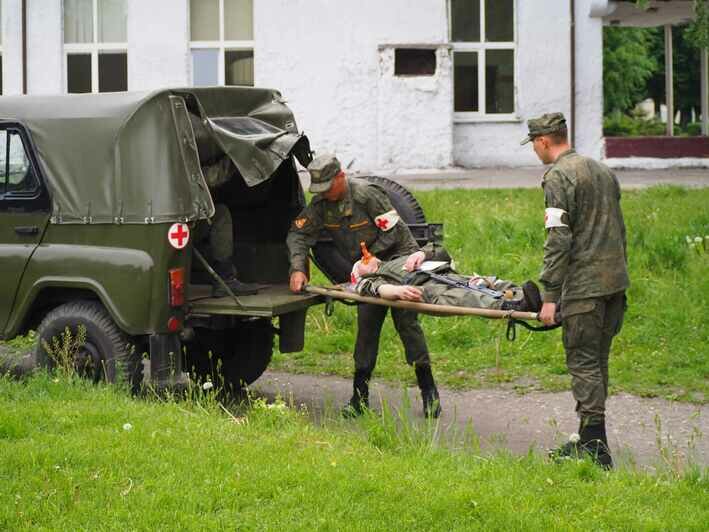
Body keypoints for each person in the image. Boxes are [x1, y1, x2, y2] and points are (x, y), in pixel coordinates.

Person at [287, 153, 442, 418]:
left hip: (399, 263)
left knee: (408, 327)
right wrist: (298, 268)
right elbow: (298, 234)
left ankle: (430, 393)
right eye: (319, 189)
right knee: (367, 330)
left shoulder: (366, 194)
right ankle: (359, 398)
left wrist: (370, 258)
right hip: (369, 273)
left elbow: (393, 232)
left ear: (340, 177)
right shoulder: (322, 205)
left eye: (328, 187)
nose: (324, 194)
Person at [522, 112, 629, 469]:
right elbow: (619, 228)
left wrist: (550, 297)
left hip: (584, 288)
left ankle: (597, 451)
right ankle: (587, 438)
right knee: (597, 363)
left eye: (534, 145)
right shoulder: (601, 170)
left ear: (543, 141)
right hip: (614, 284)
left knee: (583, 364)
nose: (536, 152)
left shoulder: (557, 176)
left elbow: (558, 239)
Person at [351, 253, 542, 313]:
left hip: (442, 274)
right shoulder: (371, 279)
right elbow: (370, 289)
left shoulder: (397, 259)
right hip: (426, 289)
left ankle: (535, 298)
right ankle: (510, 305)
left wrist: (422, 253)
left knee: (488, 283)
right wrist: (395, 290)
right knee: (464, 297)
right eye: (363, 262)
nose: (367, 258)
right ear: (359, 272)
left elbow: (439, 250)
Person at [195, 155, 260, 297]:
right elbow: (210, 178)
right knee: (220, 214)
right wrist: (235, 153)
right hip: (179, 223)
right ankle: (225, 278)